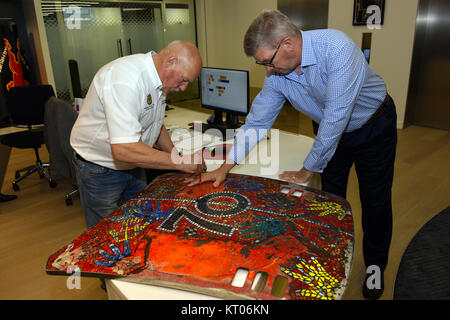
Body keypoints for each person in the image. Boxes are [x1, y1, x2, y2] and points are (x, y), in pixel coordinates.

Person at [186, 10, 397, 300]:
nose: (267, 71)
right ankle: (331, 258)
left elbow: (337, 117)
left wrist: (307, 168)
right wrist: (225, 166)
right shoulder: (279, 72)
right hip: (328, 129)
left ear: (287, 44)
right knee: (330, 200)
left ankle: (375, 264)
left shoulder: (337, 49)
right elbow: (257, 122)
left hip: (373, 125)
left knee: (375, 199)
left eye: (267, 62)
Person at [71, 40, 205, 229]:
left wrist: (177, 157)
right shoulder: (126, 80)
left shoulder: (159, 79)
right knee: (107, 235)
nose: (183, 88)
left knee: (140, 224)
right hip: (100, 169)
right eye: (183, 80)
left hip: (134, 164)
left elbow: (155, 124)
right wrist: (181, 162)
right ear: (171, 61)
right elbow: (123, 150)